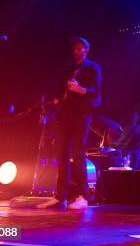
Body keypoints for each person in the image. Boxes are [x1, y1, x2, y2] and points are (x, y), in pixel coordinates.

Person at [38, 37, 102, 210]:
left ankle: (83, 196)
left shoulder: (92, 67)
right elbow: (60, 89)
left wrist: (79, 89)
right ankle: (61, 196)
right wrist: (57, 100)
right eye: (74, 48)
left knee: (78, 153)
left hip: (81, 115)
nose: (76, 51)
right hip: (64, 116)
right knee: (62, 155)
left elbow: (95, 92)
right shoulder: (68, 69)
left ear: (86, 50)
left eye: (80, 48)